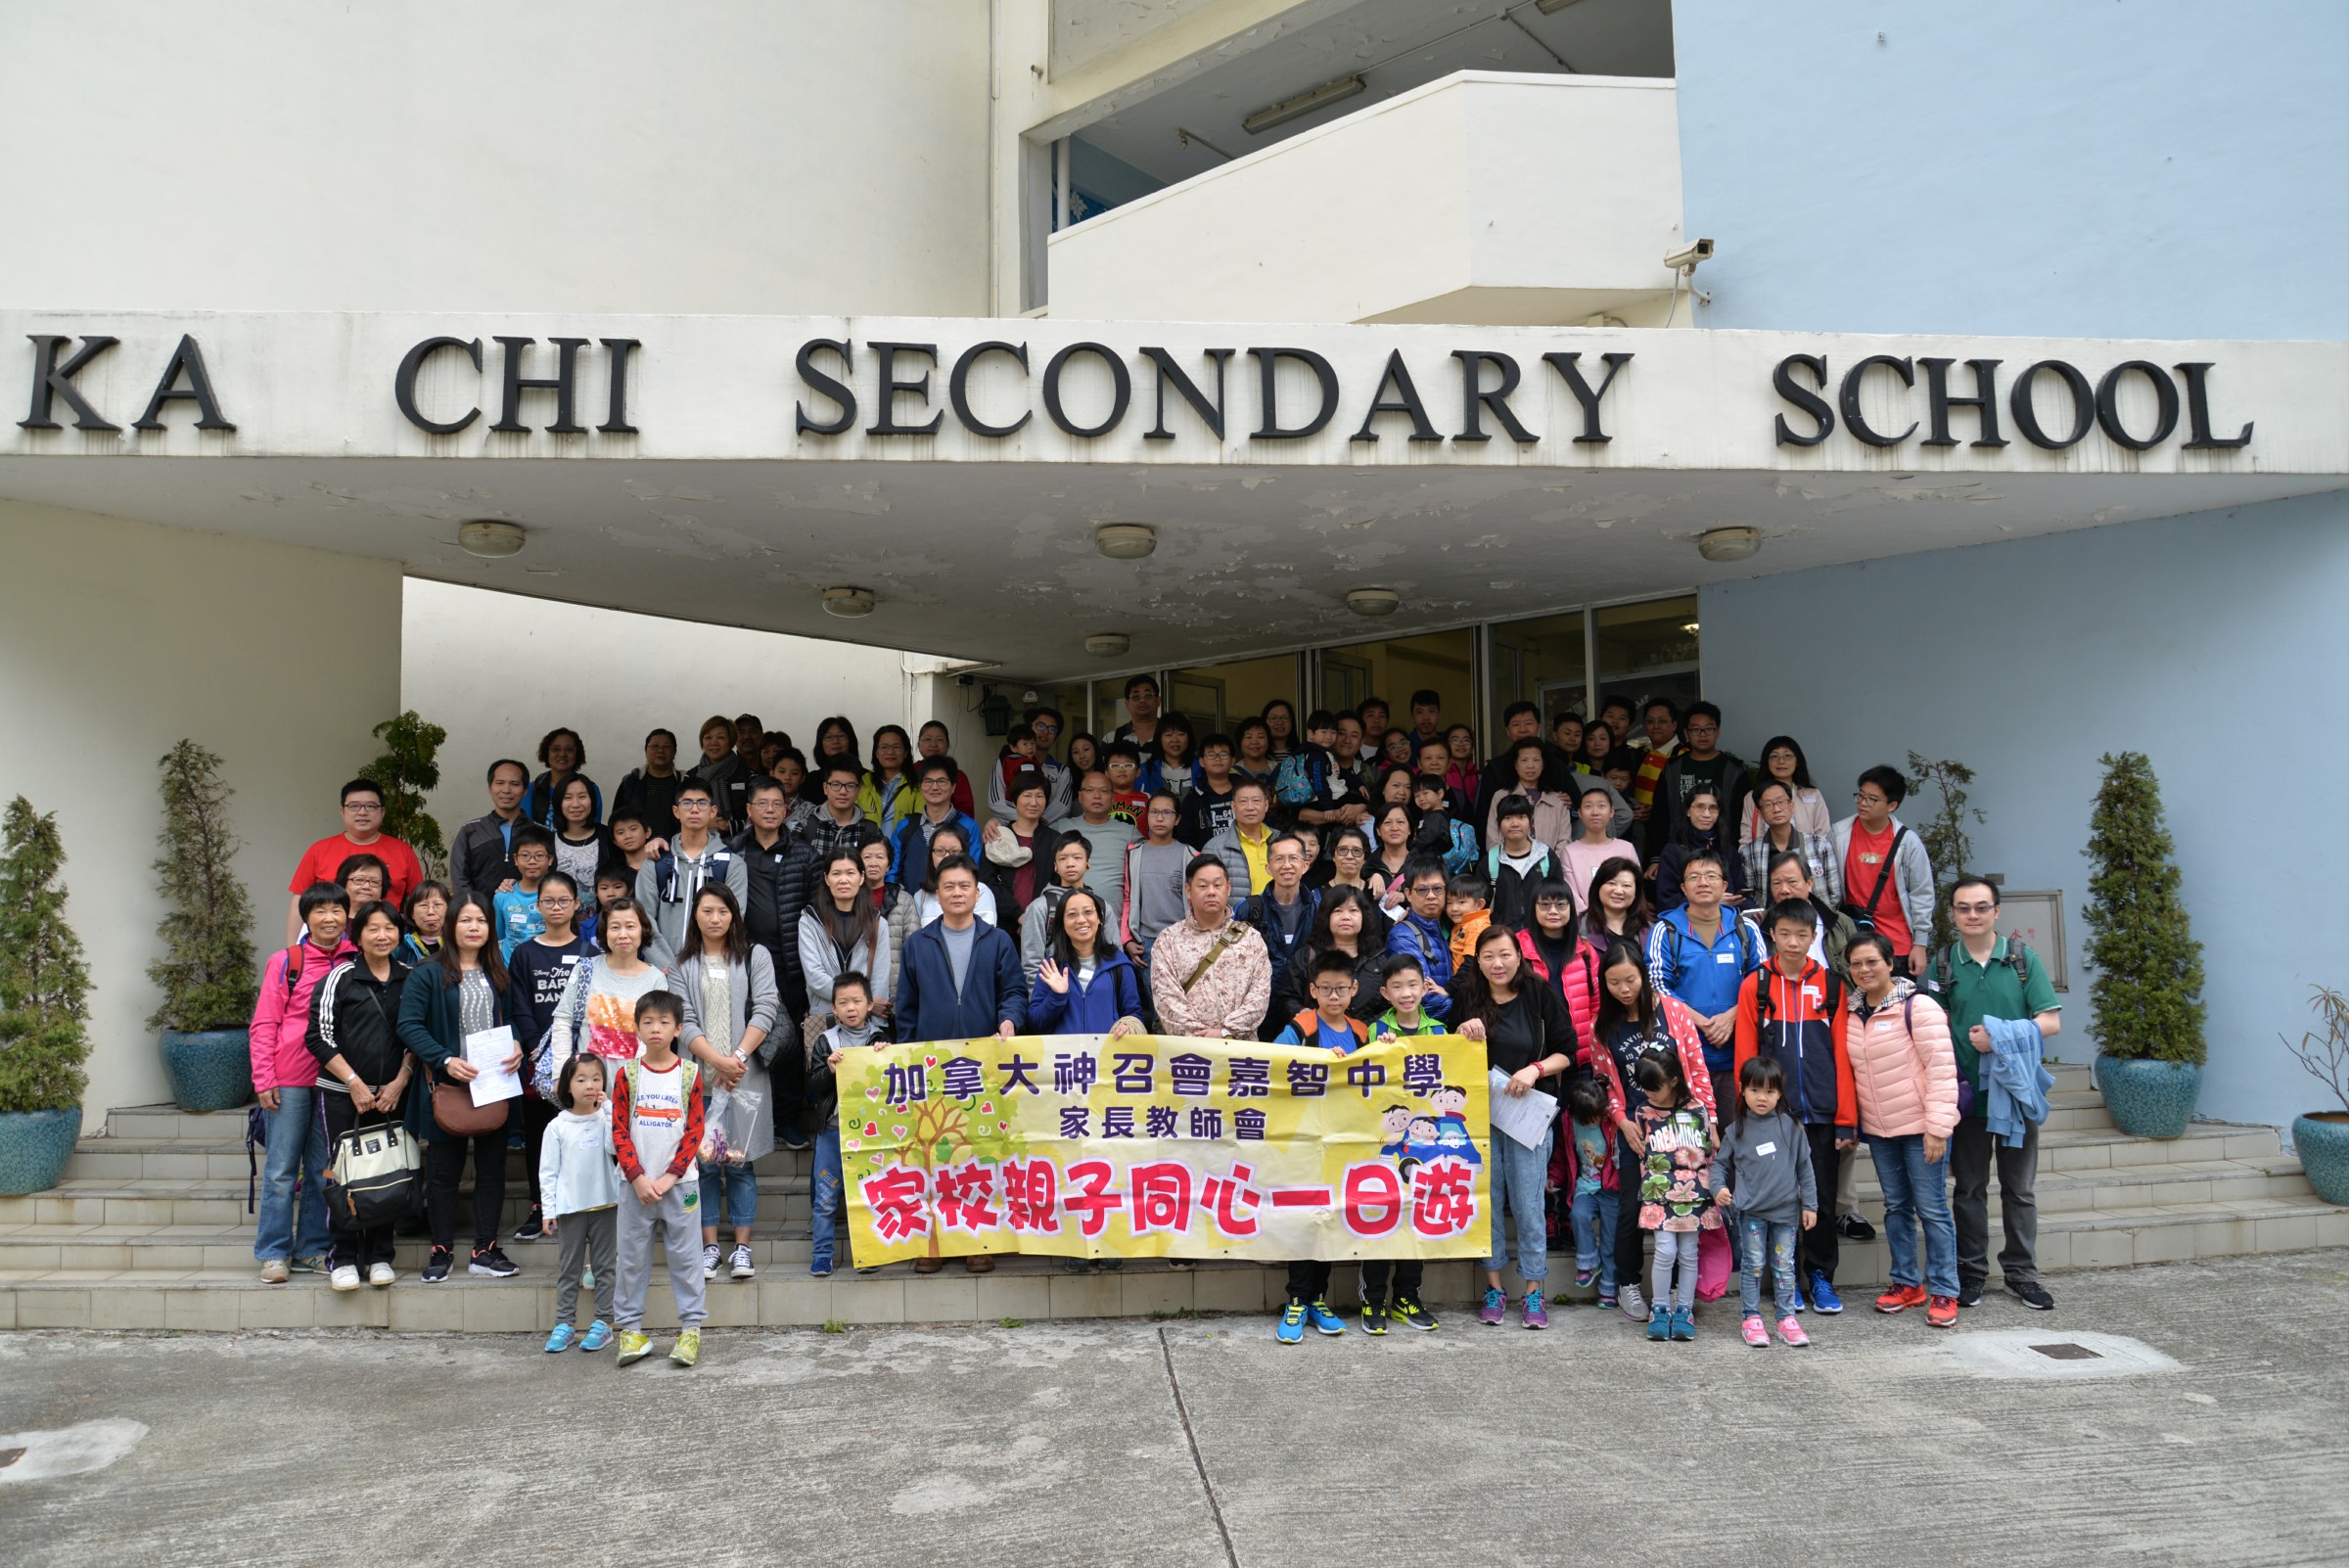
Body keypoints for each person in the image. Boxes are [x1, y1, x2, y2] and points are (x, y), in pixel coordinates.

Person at [1929, 876, 2061, 1311]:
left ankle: (2021, 1274)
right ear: (1953, 913)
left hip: (2016, 1095)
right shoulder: (1943, 964)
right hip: (1967, 1096)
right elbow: (1929, 1024)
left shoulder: (2021, 959)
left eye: (1981, 907)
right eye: (1964, 908)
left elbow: (2050, 1021)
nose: (1973, 915)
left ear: (1997, 911)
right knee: (1968, 1189)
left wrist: (1999, 1037)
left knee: (2019, 1190)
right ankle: (1971, 1272)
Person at [895, 857, 1022, 1276]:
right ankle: (933, 1243)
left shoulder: (998, 940)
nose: (956, 893)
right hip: (932, 1067)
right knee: (933, 1154)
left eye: (964, 885)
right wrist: (908, 1060)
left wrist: (1010, 1019)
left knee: (980, 1155)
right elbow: (906, 1009)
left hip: (984, 1065)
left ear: (977, 892)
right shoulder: (918, 943)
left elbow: (1014, 991)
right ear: (937, 894)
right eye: (948, 886)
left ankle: (977, 1240)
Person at [1451, 924, 1578, 1330]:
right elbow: (1449, 1055)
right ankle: (1493, 1288)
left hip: (1528, 1118)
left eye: (1505, 954)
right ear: (1478, 962)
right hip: (1479, 1118)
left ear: (1519, 956)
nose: (1497, 964)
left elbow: (1568, 1051)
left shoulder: (1538, 992)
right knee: (1486, 1203)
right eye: (1488, 957)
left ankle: (1534, 1291)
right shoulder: (1468, 996)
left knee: (1528, 1204)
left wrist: (1535, 1069)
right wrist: (1461, 1033)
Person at [1732, 899, 1856, 1314]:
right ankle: (1785, 1280)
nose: (1793, 942)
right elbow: (1745, 1054)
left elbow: (1843, 1057)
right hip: (1772, 1115)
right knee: (1778, 1199)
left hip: (1821, 1113)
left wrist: (1845, 1119)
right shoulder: (1755, 985)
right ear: (1771, 934)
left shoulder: (1831, 985)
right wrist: (1747, 1113)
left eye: (1802, 935)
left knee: (1820, 1198)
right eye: (1784, 933)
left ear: (1814, 936)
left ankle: (1820, 1276)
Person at [395, 892, 522, 1284]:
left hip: (493, 1084)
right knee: (444, 1172)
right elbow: (408, 1025)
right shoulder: (427, 972)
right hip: (446, 1084)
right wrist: (445, 1059)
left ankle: (485, 1249)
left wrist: (518, 1043)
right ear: (451, 925)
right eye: (465, 920)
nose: (474, 927)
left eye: (481, 920)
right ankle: (441, 1250)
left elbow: (513, 1018)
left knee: (492, 1170)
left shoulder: (497, 971)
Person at [1587, 943, 1717, 1320]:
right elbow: (1604, 1082)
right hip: (1635, 1129)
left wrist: (1710, 1120)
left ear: (1643, 975)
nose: (1624, 989)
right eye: (1614, 983)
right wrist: (1621, 1119)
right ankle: (1628, 1283)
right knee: (1632, 1207)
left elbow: (1697, 1067)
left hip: (1682, 1128)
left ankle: (1677, 1289)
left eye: (1630, 979)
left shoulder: (1672, 1011)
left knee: (1681, 1204)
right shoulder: (1602, 1025)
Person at [1844, 934, 1960, 1327]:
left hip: (1921, 1127)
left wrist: (1938, 1127)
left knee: (1932, 1209)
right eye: (1856, 964)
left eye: (1871, 961)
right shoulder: (1852, 1012)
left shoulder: (1919, 1006)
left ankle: (1945, 1289)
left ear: (1889, 963)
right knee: (1896, 1208)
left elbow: (1942, 1068)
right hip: (1880, 1130)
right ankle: (1907, 1284)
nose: (1864, 970)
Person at [668, 884, 779, 1286]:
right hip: (701, 1080)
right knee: (704, 1165)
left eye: (722, 911)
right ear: (695, 916)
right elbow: (683, 1022)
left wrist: (737, 1060)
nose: (715, 918)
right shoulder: (682, 964)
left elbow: (766, 1007)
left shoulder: (755, 955)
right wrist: (717, 1063)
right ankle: (710, 1246)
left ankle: (742, 1247)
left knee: (740, 1163)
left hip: (744, 1078)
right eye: (707, 911)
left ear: (734, 914)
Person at [305, 899, 413, 1291]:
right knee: (342, 1173)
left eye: (389, 928)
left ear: (399, 933)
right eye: (373, 929)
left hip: (392, 1096)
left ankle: (381, 1255)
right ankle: (343, 1257)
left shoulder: (410, 977)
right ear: (358, 935)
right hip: (341, 1094)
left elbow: (416, 1035)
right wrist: (353, 1082)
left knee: (388, 1171)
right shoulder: (340, 978)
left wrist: (400, 1081)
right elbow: (318, 1037)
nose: (382, 936)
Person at [249, 883, 350, 1281]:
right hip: (289, 1079)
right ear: (306, 917)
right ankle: (274, 1253)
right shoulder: (286, 960)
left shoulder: (354, 958)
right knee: (280, 1171)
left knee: (323, 1169)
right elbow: (265, 1022)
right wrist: (263, 1077)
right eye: (320, 910)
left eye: (337, 910)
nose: (329, 918)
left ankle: (312, 1248)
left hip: (334, 1081)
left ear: (347, 916)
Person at [1269, 949, 1370, 1345]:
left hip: (1344, 1141)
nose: (1333, 996)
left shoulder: (1362, 1031)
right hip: (1304, 1139)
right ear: (1312, 990)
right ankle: (1296, 1300)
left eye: (1341, 989)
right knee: (1304, 1217)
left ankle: (1317, 1300)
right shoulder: (1301, 1025)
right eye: (1325, 989)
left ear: (1354, 989)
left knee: (1329, 1218)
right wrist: (1319, 1060)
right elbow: (1275, 1062)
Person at [609, 992, 710, 1367]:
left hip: (680, 1187)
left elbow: (695, 1130)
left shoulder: (690, 1073)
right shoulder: (627, 1074)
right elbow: (619, 1130)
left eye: (664, 1022)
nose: (655, 1029)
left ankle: (691, 1330)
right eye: (648, 1022)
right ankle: (631, 1331)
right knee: (631, 1258)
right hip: (634, 1187)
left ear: (678, 1029)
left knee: (687, 1258)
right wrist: (637, 1177)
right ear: (637, 1028)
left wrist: (670, 1176)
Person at [507, 870, 593, 1242]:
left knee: (583, 1134)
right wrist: (536, 1050)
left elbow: (592, 1008)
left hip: (583, 1062)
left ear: (576, 905)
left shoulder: (591, 952)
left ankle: (582, 1206)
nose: (556, 907)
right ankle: (540, 1205)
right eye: (548, 901)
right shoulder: (524, 953)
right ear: (538, 906)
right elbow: (519, 1005)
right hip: (538, 1063)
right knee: (540, 1134)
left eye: (563, 901)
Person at [732, 777, 818, 1150]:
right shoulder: (732, 852)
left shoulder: (805, 854)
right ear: (748, 810)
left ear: (787, 810)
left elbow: (816, 910)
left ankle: (786, 1120)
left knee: (789, 1042)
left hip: (790, 963)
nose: (770, 810)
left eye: (777, 804)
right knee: (745, 1038)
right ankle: (746, 1119)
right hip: (744, 963)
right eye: (762, 803)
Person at [1645, 849, 1764, 1118]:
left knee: (1736, 1132)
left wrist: (1731, 1017)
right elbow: (1657, 985)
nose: (1703, 882)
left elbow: (1762, 981)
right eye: (1694, 877)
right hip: (1684, 1057)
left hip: (1739, 1054)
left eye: (1711, 876)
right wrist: (1701, 1022)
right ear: (1683, 888)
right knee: (1693, 1136)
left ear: (1724, 885)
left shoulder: (1745, 928)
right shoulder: (1666, 930)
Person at [1710, 1055, 1819, 1348]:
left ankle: (1786, 1319)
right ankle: (1751, 1318)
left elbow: (1805, 1168)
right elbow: (1719, 1165)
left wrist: (1810, 1205)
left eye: (1770, 1091)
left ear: (1780, 1093)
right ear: (1742, 1090)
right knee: (1754, 1265)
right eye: (1755, 1090)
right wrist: (1718, 1188)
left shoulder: (1792, 1127)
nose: (1762, 1097)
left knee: (1784, 1266)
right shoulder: (1736, 1130)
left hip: (1786, 1213)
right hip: (1751, 1213)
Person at [540, 897, 669, 1091]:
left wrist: (641, 1083)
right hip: (586, 1090)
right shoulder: (585, 969)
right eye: (615, 927)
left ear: (642, 930)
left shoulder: (655, 979)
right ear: (605, 932)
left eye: (630, 926)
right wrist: (561, 1076)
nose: (623, 934)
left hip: (633, 1089)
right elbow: (563, 1021)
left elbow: (655, 1035)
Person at [537, 1052, 621, 1353]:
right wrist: (548, 1210)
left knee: (605, 1268)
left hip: (606, 1204)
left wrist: (609, 1110)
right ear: (568, 1086)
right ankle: (564, 1324)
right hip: (571, 1208)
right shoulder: (557, 1126)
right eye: (581, 1079)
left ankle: (604, 1323)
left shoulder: (605, 1119)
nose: (590, 1085)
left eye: (596, 1079)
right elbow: (548, 1172)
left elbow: (615, 1147)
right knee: (569, 1268)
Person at [1633, 1046, 1716, 1343]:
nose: (1649, 1093)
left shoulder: (1698, 1109)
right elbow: (1642, 1153)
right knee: (1665, 1251)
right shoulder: (1643, 1112)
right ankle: (1659, 1309)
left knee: (1689, 1253)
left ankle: (1684, 1310)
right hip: (1658, 1192)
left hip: (1694, 1193)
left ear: (1673, 1081)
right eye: (1645, 1087)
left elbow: (1708, 1151)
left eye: (1654, 1087)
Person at [806, 972, 886, 1277]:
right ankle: (822, 1255)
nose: (851, 1008)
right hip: (833, 1130)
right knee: (826, 1197)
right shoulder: (826, 1041)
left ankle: (868, 1253)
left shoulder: (881, 1039)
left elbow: (894, 1083)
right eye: (843, 1003)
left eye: (857, 1001)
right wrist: (828, 1070)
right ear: (834, 1009)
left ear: (870, 1004)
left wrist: (885, 1057)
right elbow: (813, 1086)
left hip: (871, 1134)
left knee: (868, 1196)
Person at [285, 779, 424, 943]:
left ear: (382, 812)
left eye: (370, 806)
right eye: (354, 806)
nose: (362, 812)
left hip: (386, 943)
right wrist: (293, 950)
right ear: (342, 811)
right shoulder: (319, 850)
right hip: (330, 944)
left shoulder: (402, 851)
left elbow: (418, 901)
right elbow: (299, 902)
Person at [1149, 856, 1272, 1040]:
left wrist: (1227, 1032)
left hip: (1240, 1049)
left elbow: (1260, 996)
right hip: (1189, 1051)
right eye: (1202, 886)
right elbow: (1167, 1000)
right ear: (1188, 890)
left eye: (1217, 885)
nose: (1211, 892)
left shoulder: (1251, 939)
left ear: (1228, 888)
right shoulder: (1168, 941)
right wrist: (1202, 1039)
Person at [1832, 765, 1936, 976]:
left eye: (1872, 799)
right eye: (1860, 796)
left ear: (1892, 805)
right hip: (1854, 942)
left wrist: (1920, 944)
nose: (1863, 803)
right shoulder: (1839, 835)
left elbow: (1922, 894)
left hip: (1896, 945)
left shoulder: (1907, 842)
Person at [637, 778, 748, 957]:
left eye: (702, 803)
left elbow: (734, 919)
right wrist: (666, 965)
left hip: (711, 965)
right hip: (662, 969)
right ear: (676, 811)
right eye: (687, 803)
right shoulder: (656, 862)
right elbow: (644, 919)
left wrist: (704, 965)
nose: (694, 809)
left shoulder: (732, 864)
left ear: (713, 811)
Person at [801, 850, 895, 1040]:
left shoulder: (877, 923)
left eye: (850, 873)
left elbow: (880, 979)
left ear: (861, 878)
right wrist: (857, 1001)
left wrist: (876, 1029)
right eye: (836, 873)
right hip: (824, 1019)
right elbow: (814, 976)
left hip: (866, 1024)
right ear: (826, 879)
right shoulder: (810, 921)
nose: (843, 880)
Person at [1028, 888, 1146, 1036]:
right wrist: (1057, 996)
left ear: (1099, 919)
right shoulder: (1051, 968)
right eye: (1072, 914)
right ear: (1062, 923)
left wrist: (1128, 1027)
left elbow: (1134, 1014)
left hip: (1107, 1049)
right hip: (1064, 1050)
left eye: (1088, 912)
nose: (1081, 920)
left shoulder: (1120, 965)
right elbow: (1035, 1024)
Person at [1277, 885, 1389, 1027]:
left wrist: (1360, 1030)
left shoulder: (1378, 959)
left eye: (1353, 910)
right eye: (1338, 911)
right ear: (1326, 916)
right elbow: (1286, 998)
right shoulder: (1308, 956)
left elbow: (1390, 1007)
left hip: (1367, 1037)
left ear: (1364, 917)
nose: (1346, 917)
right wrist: (1303, 1014)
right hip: (1317, 1036)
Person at [1649, 702, 1748, 857]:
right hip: (1678, 851)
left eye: (1709, 728)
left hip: (1722, 852)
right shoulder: (1672, 768)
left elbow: (1740, 818)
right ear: (1686, 733)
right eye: (1695, 729)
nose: (1703, 734)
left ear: (1718, 731)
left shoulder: (1734, 769)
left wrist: (1732, 853)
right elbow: (1659, 816)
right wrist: (1656, 856)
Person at [1241, 832, 1319, 1017]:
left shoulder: (1318, 909)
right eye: (1279, 859)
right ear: (1268, 868)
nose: (1287, 865)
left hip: (1302, 1006)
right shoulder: (1250, 909)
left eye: (1293, 858)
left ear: (1305, 865)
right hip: (1257, 1008)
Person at [980, 767, 1070, 925]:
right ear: (1015, 801)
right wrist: (1018, 915)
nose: (1033, 802)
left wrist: (1036, 917)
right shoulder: (996, 836)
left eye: (1039, 796)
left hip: (1043, 923)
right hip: (1002, 924)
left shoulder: (1055, 840)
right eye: (1027, 795)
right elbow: (987, 882)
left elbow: (1060, 883)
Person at [1563, 1077, 1621, 1303]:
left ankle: (1609, 1289)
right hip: (1586, 1187)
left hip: (1612, 1189)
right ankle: (1588, 1262)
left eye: (1595, 1118)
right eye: (1586, 1119)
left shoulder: (1611, 1121)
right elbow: (1562, 1153)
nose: (1591, 1123)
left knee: (1610, 1242)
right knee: (1578, 1215)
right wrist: (1554, 1177)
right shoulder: (1570, 1122)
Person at [1122, 792, 1191, 976]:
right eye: (1154, 812)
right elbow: (1128, 898)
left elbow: (1195, 903)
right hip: (1145, 941)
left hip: (1181, 939)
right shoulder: (1134, 854)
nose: (1159, 818)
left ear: (1177, 819)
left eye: (1167, 812)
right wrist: (1127, 940)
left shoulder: (1190, 855)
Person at [1054, 771, 1139, 919]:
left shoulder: (1129, 832)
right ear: (1080, 796)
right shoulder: (1060, 828)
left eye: (1104, 791)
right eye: (1090, 790)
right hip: (1069, 920)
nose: (1097, 795)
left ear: (1113, 798)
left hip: (1113, 921)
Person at [1741, 778, 1841, 903]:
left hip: (1814, 915)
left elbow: (1835, 894)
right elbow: (1751, 896)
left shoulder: (1820, 846)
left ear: (1791, 806)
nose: (1777, 809)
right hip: (1772, 915)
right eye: (1768, 804)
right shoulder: (1750, 853)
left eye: (1781, 802)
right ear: (1760, 813)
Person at [889, 756, 982, 889]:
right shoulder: (905, 826)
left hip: (953, 899)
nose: (934, 787)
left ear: (953, 787)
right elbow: (892, 874)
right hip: (910, 901)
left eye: (941, 781)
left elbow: (973, 873)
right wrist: (901, 899)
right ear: (920, 786)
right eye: (928, 781)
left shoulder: (968, 827)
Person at [1018, 833, 1097, 986]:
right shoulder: (1039, 908)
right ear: (1055, 866)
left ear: (1087, 864)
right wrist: (1039, 999)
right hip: (1053, 993)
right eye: (1062, 858)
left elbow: (1115, 957)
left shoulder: (1100, 906)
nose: (1070, 864)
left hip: (1097, 992)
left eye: (1077, 857)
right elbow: (1032, 965)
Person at [1381, 856, 1455, 1019]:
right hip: (1429, 1029)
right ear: (1408, 894)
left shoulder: (1456, 926)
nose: (1431, 896)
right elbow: (1421, 997)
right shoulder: (1402, 936)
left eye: (1437, 889)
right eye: (1422, 890)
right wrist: (1466, 1007)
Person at [1654, 786, 1748, 912]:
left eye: (1713, 808)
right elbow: (1666, 901)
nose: (1706, 814)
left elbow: (1741, 892)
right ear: (1688, 811)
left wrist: (1751, 910)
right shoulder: (1673, 851)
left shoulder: (1728, 850)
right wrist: (1712, 902)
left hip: (1728, 920)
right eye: (1700, 807)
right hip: (1688, 922)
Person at [450, 759, 530, 902]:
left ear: (525, 790)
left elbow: (547, 877)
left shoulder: (539, 833)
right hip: (480, 913)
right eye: (500, 783)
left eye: (514, 784)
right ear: (490, 788)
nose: (506, 790)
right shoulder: (470, 831)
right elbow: (460, 879)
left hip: (527, 913)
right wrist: (471, 909)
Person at [1560, 782, 1641, 912]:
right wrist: (1589, 918)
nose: (1595, 812)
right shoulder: (1570, 851)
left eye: (1601, 806)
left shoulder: (1626, 848)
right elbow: (1571, 894)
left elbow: (1636, 887)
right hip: (1585, 921)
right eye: (1588, 806)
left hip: (1622, 918)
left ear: (1611, 812)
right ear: (1579, 813)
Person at [1483, 796, 1558, 931]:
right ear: (1499, 823)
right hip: (1502, 937)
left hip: (1541, 935)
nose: (1515, 823)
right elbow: (1480, 906)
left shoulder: (1546, 856)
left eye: (1521, 817)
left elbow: (1559, 898)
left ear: (1530, 821)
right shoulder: (1490, 861)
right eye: (1507, 818)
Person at [1740, 735, 1832, 846]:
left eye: (1787, 755)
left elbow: (1824, 836)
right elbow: (1746, 840)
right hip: (1764, 856)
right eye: (1774, 756)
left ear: (1797, 761)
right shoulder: (1752, 797)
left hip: (1808, 856)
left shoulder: (1813, 795)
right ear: (1766, 762)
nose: (1781, 761)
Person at [1200, 777, 1275, 910]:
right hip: (1238, 920)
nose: (1250, 807)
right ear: (1233, 806)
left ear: (1266, 805)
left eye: (1256, 801)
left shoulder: (1281, 841)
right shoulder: (1214, 848)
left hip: (1279, 917)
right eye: (1243, 801)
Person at [912, 823, 999, 928]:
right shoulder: (921, 896)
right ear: (931, 855)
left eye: (954, 851)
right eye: (940, 851)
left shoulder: (981, 891)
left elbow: (987, 934)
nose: (947, 857)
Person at [613, 728, 687, 843]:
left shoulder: (685, 782)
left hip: (677, 848)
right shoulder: (631, 782)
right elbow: (617, 819)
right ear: (645, 750)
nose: (660, 750)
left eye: (666, 746)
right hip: (638, 850)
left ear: (674, 752)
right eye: (655, 746)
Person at [493, 826, 553, 960]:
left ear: (550, 859)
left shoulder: (558, 897)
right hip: (510, 968)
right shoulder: (502, 896)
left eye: (539, 856)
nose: (532, 861)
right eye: (525, 855)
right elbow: (499, 938)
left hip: (547, 967)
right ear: (515, 859)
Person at [799, 757, 875, 861]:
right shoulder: (806, 827)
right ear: (825, 788)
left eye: (850, 785)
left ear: (858, 790)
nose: (843, 791)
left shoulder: (871, 831)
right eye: (836, 785)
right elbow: (793, 869)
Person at [525, 727, 599, 830]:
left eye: (569, 750)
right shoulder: (532, 789)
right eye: (556, 749)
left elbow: (593, 829)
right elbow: (526, 829)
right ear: (547, 753)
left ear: (577, 754)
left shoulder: (591, 789)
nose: (562, 754)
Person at [549, 775, 615, 893]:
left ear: (592, 800)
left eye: (582, 796)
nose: (576, 804)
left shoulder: (610, 836)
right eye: (567, 797)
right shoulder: (548, 841)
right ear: (558, 802)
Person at [1628, 697, 1681, 842]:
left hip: (1667, 833)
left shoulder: (1683, 756)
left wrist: (1656, 810)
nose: (1656, 726)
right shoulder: (1639, 753)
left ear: (1674, 725)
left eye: (1662, 721)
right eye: (1650, 721)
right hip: (1637, 830)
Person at [1175, 732, 1239, 848]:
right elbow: (1186, 840)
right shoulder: (1193, 799)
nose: (1217, 759)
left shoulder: (1246, 792)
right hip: (1206, 857)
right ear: (1201, 761)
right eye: (1211, 754)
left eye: (1223, 754)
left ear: (1233, 760)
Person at [690, 715, 751, 831]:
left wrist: (728, 826)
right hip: (702, 839)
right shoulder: (692, 776)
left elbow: (758, 818)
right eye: (708, 737)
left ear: (731, 741)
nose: (714, 743)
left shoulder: (748, 775)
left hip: (740, 840)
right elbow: (682, 814)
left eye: (721, 737)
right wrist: (703, 823)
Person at [858, 724, 920, 829]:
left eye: (896, 747)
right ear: (876, 753)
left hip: (903, 840)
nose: (890, 752)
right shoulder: (863, 782)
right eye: (884, 747)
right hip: (866, 840)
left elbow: (920, 823)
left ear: (905, 752)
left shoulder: (917, 785)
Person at [1410, 773, 1476, 873]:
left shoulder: (1436, 817)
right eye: (1417, 795)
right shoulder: (1442, 815)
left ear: (1440, 794)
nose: (1421, 798)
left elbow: (1423, 841)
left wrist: (1408, 845)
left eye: (1425, 793)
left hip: (1434, 867)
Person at [916, 720, 979, 817]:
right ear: (919, 744)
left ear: (948, 745)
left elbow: (966, 812)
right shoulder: (911, 771)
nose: (933, 744)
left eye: (939, 740)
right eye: (928, 739)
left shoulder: (958, 776)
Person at [1366, 801, 1415, 904]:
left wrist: (1405, 897)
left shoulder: (1422, 864)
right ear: (1378, 830)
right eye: (1387, 822)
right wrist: (1370, 878)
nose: (1394, 828)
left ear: (1410, 829)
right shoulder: (1367, 866)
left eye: (1400, 822)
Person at [1109, 672, 1167, 758]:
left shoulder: (1173, 736)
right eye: (1136, 696)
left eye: (1148, 695)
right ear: (1127, 704)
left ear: (1158, 701)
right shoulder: (1111, 739)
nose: (1142, 700)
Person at [1444, 872, 1491, 975]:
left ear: (1479, 904)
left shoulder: (1476, 926)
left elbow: (1470, 964)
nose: (1454, 908)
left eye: (1461, 902)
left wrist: (1451, 985)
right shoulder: (1463, 923)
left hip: (1467, 982)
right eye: (1449, 903)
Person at [397, 879, 449, 966]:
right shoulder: (400, 946)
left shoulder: (458, 944)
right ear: (412, 913)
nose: (431, 912)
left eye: (437, 904)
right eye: (423, 905)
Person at [1144, 714, 1196, 800]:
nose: (1175, 740)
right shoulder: (1145, 770)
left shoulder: (1203, 768)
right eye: (1169, 735)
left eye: (1181, 734)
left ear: (1189, 738)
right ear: (1159, 739)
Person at [1232, 717, 1278, 790]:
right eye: (1248, 737)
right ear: (1240, 742)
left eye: (1260, 737)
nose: (1254, 742)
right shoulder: (1232, 773)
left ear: (1268, 741)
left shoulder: (1280, 770)